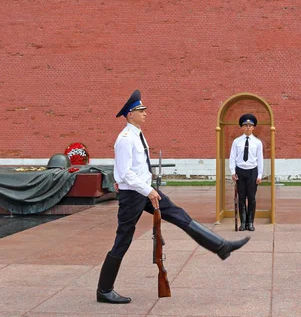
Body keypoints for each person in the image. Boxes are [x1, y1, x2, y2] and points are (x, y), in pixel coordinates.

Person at [97, 90, 251, 304]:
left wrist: (146, 188)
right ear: (130, 114)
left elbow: (133, 169)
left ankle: (221, 246)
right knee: (123, 239)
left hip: (143, 190)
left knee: (178, 214)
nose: (145, 113)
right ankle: (104, 290)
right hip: (134, 195)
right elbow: (124, 172)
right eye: (141, 111)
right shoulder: (125, 139)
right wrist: (145, 189)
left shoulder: (137, 134)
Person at [229, 113, 263, 232]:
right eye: (245, 125)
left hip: (252, 171)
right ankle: (243, 222)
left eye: (250, 125)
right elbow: (232, 157)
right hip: (240, 171)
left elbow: (260, 159)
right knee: (241, 198)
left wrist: (259, 175)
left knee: (252, 198)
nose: (248, 127)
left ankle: (250, 222)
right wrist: (233, 171)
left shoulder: (257, 142)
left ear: (253, 127)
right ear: (242, 127)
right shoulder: (236, 141)